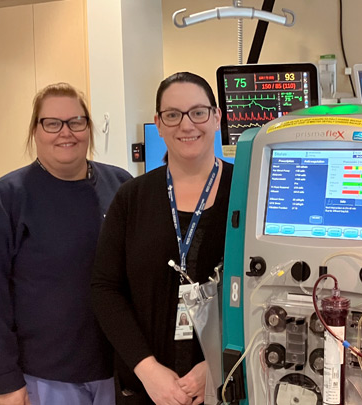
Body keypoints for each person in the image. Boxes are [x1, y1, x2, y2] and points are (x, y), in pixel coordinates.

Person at [0, 82, 132, 405]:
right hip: (44, 378)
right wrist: (6, 381)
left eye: (76, 121)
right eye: (52, 123)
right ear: (35, 131)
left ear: (89, 127)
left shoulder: (121, 185)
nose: (65, 132)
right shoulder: (6, 199)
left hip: (118, 370)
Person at [91, 72, 233, 405]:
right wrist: (147, 370)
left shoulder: (248, 192)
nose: (187, 125)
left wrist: (215, 366)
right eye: (173, 115)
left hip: (225, 383)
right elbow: (104, 289)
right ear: (158, 122)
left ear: (216, 118)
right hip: (145, 388)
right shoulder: (131, 197)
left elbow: (261, 293)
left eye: (198, 112)